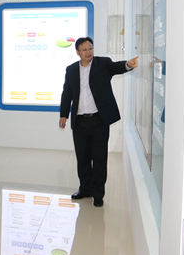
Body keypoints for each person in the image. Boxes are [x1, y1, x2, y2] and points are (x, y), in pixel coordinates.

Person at [59, 37, 139, 207]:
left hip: (99, 120)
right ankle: (85, 189)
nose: (88, 52)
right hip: (80, 122)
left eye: (90, 48)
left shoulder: (103, 63)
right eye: (84, 49)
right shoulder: (71, 70)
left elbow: (116, 67)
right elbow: (67, 93)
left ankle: (97, 194)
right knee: (82, 158)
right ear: (78, 52)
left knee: (99, 158)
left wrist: (128, 64)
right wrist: (63, 115)